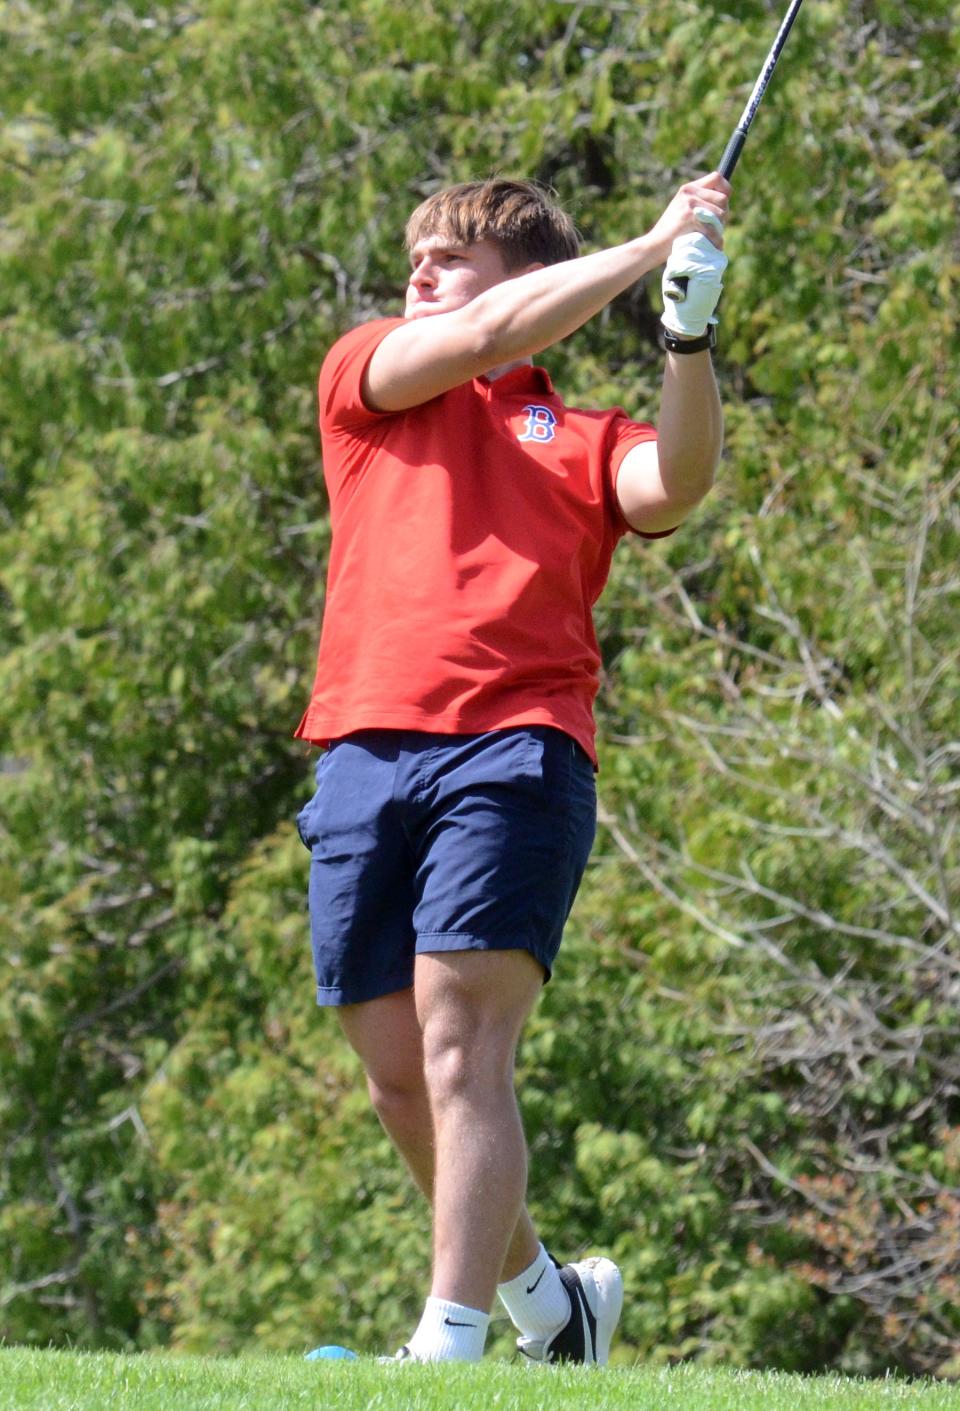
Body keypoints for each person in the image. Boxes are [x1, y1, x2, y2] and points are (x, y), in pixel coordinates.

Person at [294, 171, 730, 1364]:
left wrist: (686, 332)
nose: (419, 277)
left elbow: (676, 483)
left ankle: (451, 1339)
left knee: (458, 1041)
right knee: (398, 1075)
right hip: (363, 746)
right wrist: (652, 247)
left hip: (518, 746)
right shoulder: (371, 376)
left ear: (530, 278)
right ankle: (552, 1305)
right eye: (415, 258)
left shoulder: (581, 438)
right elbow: (485, 334)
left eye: (451, 258)